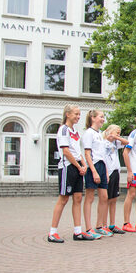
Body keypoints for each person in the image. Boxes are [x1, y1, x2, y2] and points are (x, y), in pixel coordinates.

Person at [48, 104, 95, 242]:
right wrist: (78, 166)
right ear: (67, 114)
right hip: (68, 167)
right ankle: (52, 232)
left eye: (79, 114)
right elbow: (66, 151)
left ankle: (78, 232)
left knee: (78, 198)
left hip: (78, 167)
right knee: (63, 199)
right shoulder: (63, 130)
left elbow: (77, 151)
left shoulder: (75, 131)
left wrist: (84, 165)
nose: (78, 116)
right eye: (76, 114)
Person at [83, 110, 111, 238]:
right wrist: (94, 171)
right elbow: (87, 153)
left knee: (104, 197)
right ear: (93, 118)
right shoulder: (89, 133)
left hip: (102, 165)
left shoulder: (100, 134)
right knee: (90, 197)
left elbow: (103, 154)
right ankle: (88, 228)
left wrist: (105, 171)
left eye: (103, 117)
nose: (103, 119)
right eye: (101, 117)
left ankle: (99, 226)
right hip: (93, 166)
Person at [103, 124, 129, 234]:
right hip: (108, 172)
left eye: (119, 133)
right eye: (116, 132)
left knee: (113, 199)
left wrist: (116, 137)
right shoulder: (103, 143)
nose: (118, 134)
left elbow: (127, 142)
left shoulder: (115, 142)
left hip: (115, 171)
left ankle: (112, 224)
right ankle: (103, 225)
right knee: (106, 200)